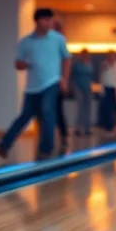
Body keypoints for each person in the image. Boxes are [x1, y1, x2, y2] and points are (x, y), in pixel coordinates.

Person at [0, 8, 69, 159]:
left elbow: (67, 58)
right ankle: (4, 145)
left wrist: (64, 78)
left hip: (52, 82)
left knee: (47, 112)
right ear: (37, 21)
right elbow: (18, 63)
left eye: (51, 20)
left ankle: (46, 149)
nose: (49, 23)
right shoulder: (25, 42)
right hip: (32, 87)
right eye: (46, 20)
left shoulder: (58, 39)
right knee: (25, 115)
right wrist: (23, 65)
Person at [52, 20, 69, 148]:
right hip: (49, 81)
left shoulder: (59, 43)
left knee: (57, 110)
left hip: (57, 82)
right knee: (52, 110)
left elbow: (66, 62)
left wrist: (63, 80)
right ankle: (59, 135)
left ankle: (63, 135)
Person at [71, 49, 95, 136]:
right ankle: (78, 128)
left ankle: (87, 128)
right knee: (80, 108)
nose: (85, 56)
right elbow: (76, 73)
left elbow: (91, 74)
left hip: (88, 88)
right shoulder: (77, 64)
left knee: (88, 108)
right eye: (83, 55)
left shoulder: (89, 64)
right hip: (79, 87)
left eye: (86, 55)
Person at [99, 51, 116, 134]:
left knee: (112, 108)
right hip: (106, 88)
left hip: (114, 88)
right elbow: (102, 77)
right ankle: (108, 126)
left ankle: (111, 126)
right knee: (107, 108)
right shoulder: (104, 64)